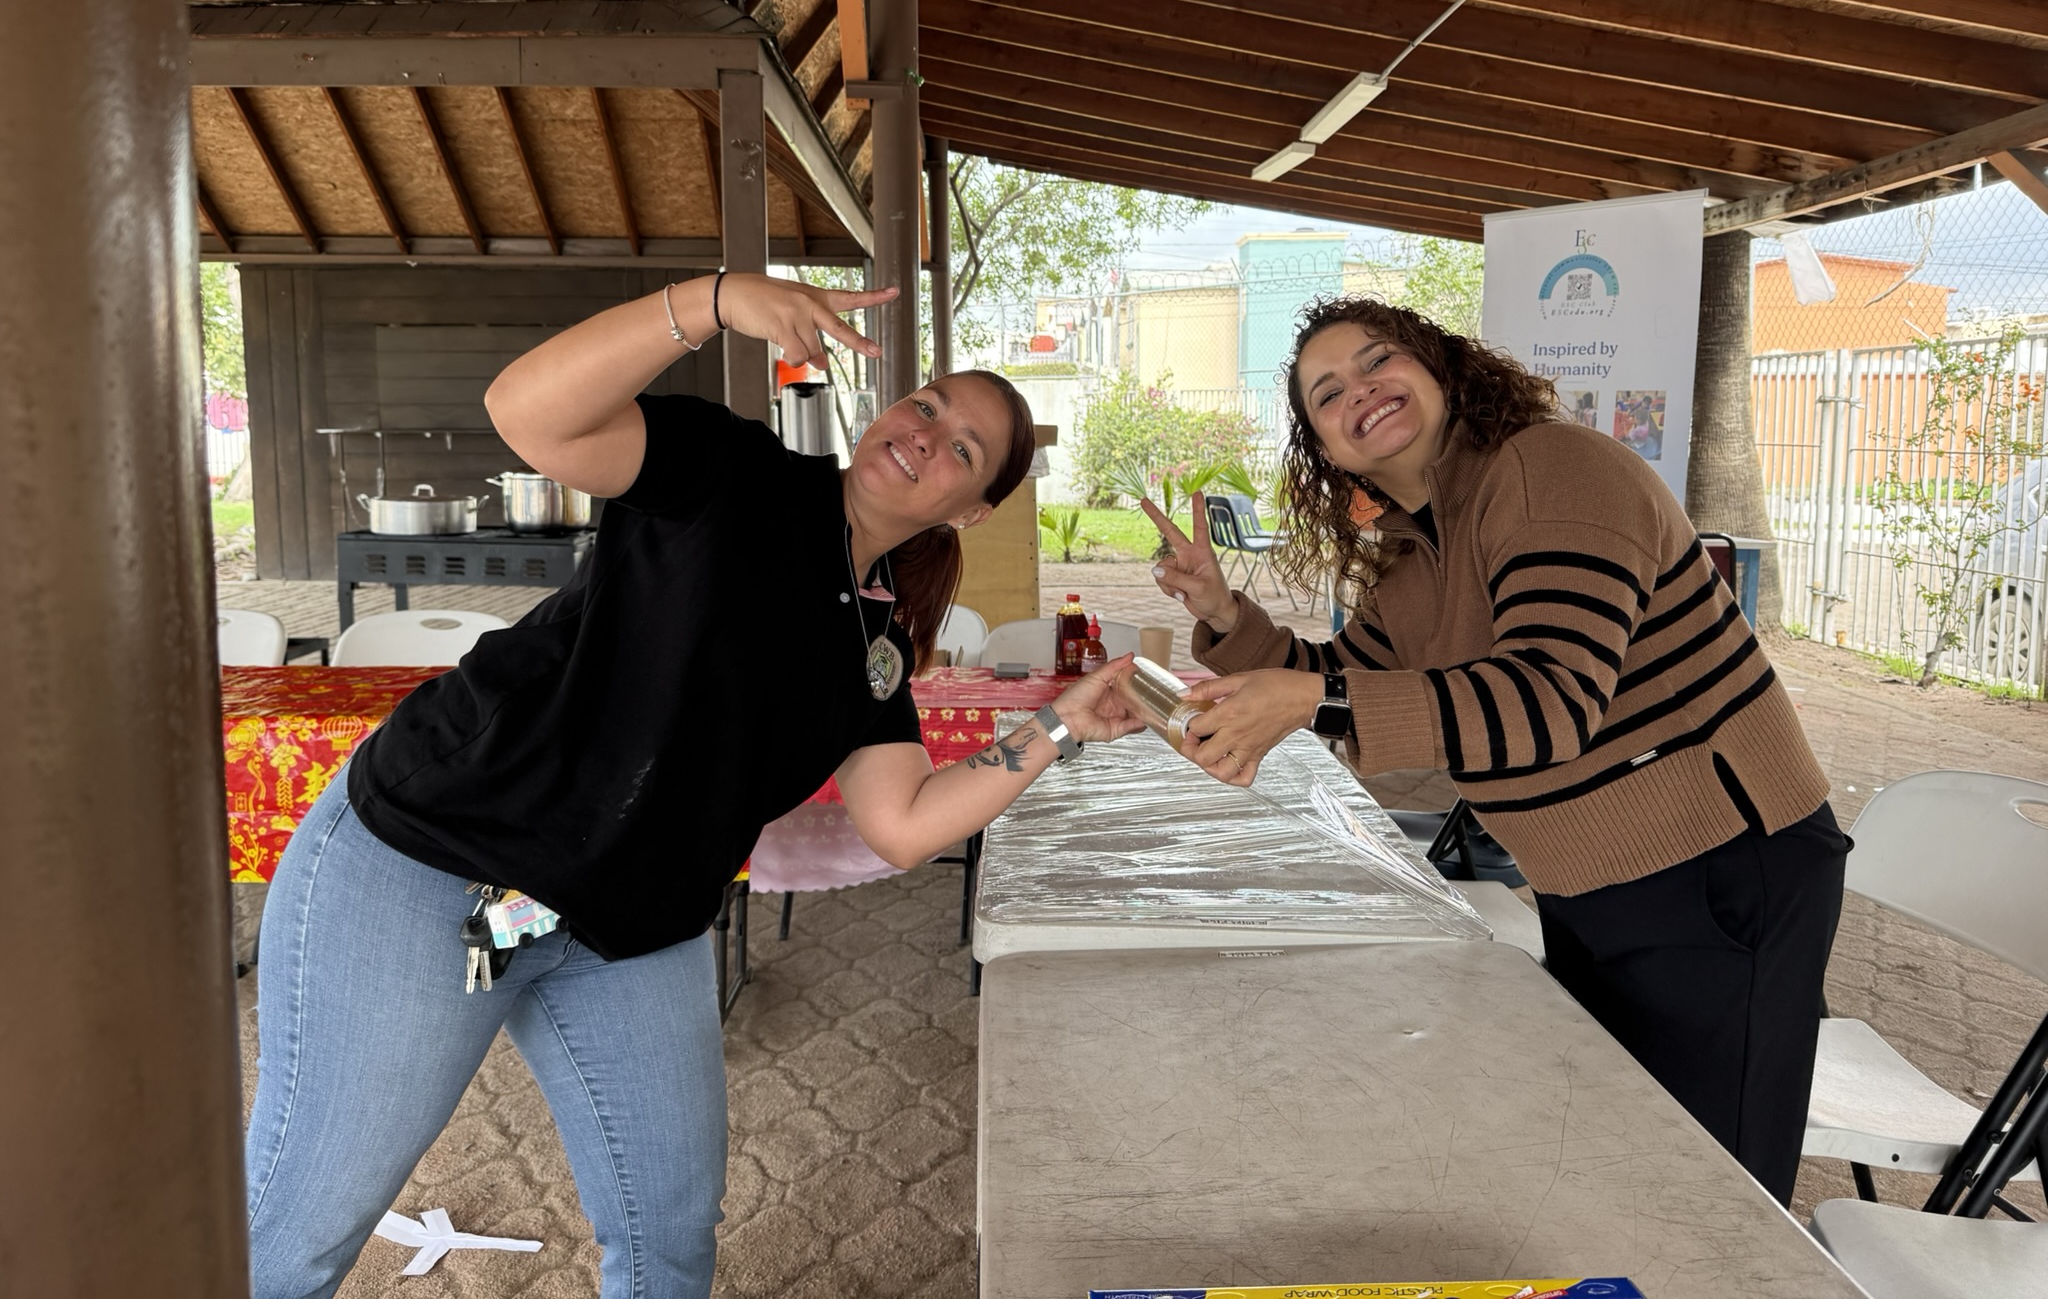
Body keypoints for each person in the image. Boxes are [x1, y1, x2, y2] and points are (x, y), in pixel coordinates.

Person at [243, 271, 1143, 1299]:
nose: (926, 435)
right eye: (927, 405)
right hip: (439, 866)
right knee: (304, 1224)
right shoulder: (731, 471)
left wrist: (1058, 726)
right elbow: (526, 412)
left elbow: (902, 825)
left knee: (667, 1230)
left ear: (971, 511)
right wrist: (709, 303)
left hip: (622, 926)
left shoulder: (877, 643)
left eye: (964, 448)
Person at [1144, 295, 1845, 1205]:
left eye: (1378, 360)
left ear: (1442, 367)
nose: (1360, 391)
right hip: (1589, 881)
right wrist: (1220, 612)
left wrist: (1314, 697)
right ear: (1326, 449)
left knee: (1709, 1193)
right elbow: (1338, 681)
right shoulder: (1417, 551)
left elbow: (1551, 701)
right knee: (1625, 1162)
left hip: (1718, 864)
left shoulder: (1552, 468)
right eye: (1328, 394)